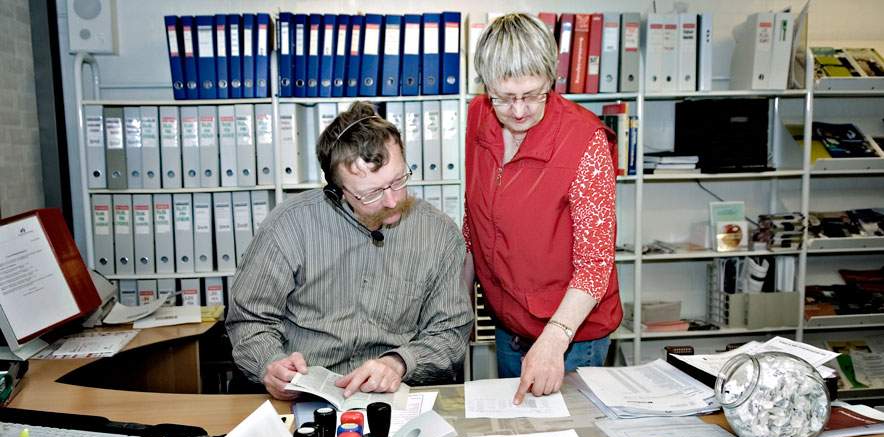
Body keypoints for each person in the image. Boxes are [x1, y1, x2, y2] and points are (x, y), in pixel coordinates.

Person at [226, 101, 473, 400]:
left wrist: (399, 363)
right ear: (337, 192)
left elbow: (450, 333)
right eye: (371, 193)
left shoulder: (438, 234)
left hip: (390, 396)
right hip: (302, 395)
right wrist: (270, 365)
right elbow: (250, 319)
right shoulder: (288, 226)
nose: (392, 200)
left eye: (398, 181)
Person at [464, 13, 623, 405]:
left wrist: (555, 339)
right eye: (503, 97)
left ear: (551, 80)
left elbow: (594, 265)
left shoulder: (584, 142)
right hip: (509, 323)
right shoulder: (477, 118)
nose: (518, 111)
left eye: (532, 95)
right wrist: (458, 307)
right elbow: (474, 224)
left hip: (572, 334)